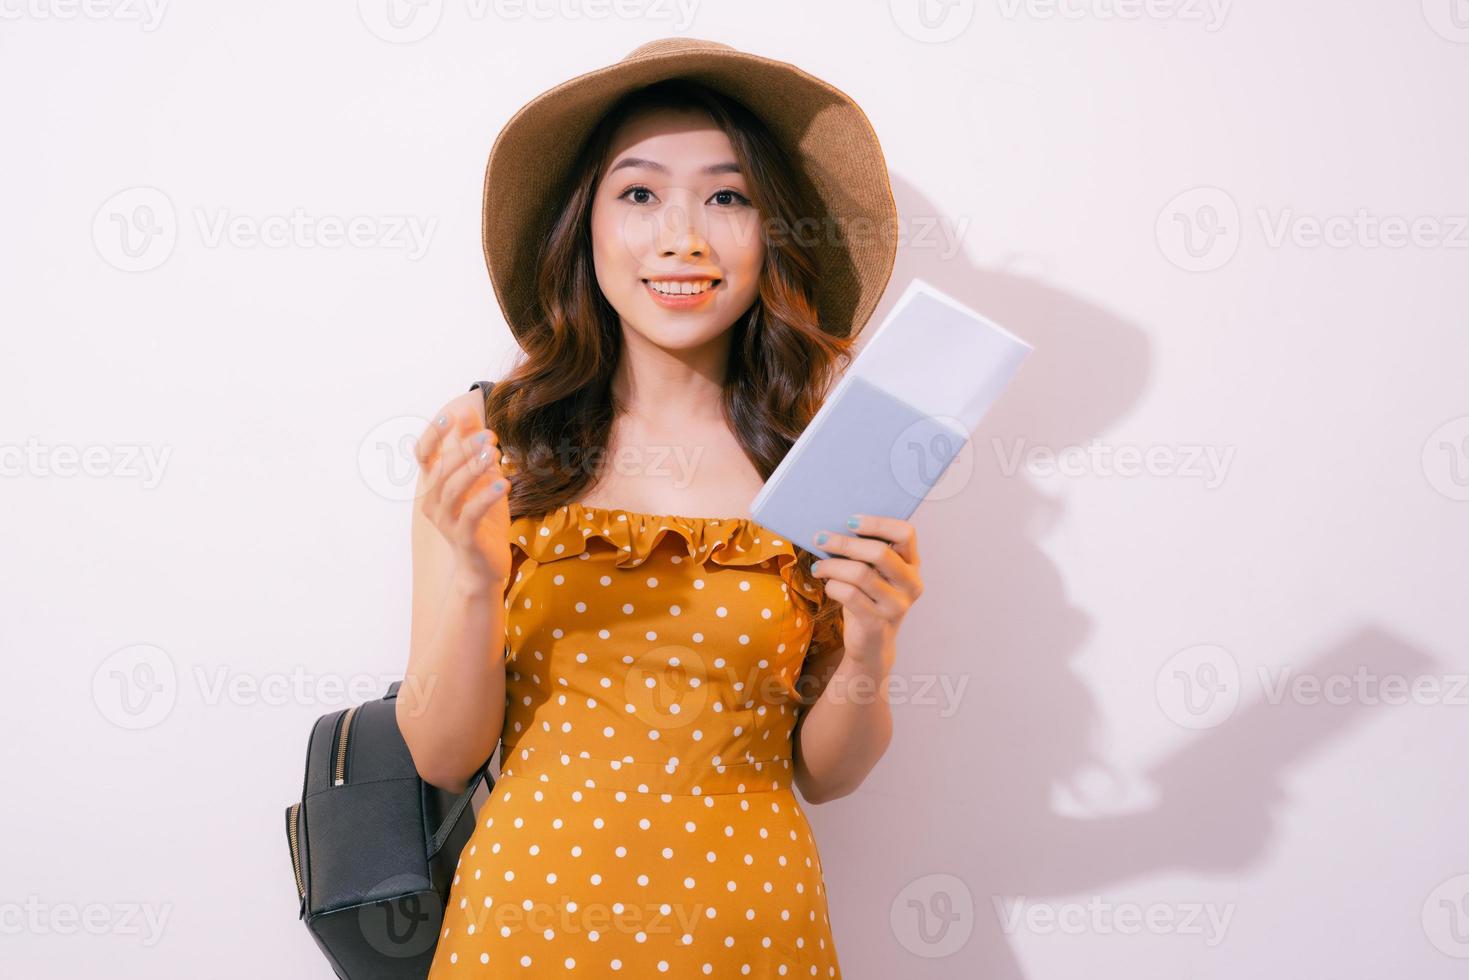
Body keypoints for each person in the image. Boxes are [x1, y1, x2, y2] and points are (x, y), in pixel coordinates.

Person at [399, 38, 926, 977]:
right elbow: (442, 754)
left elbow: (827, 773)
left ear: (774, 234)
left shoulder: (830, 463)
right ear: (585, 227)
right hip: (526, 938)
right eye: (638, 194)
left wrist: (874, 643)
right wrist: (479, 582)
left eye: (728, 197)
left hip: (756, 938)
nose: (682, 236)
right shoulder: (493, 439)